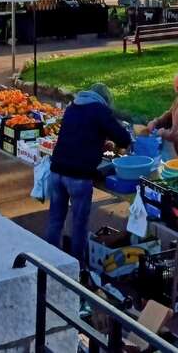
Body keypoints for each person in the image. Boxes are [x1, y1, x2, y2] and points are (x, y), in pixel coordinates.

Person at [47, 83, 131, 266]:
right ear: (104, 101)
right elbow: (123, 138)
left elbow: (78, 135)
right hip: (78, 176)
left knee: (55, 220)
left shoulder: (72, 107)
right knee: (79, 224)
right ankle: (78, 267)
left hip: (57, 170)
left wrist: (100, 142)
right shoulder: (100, 110)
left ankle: (49, 262)